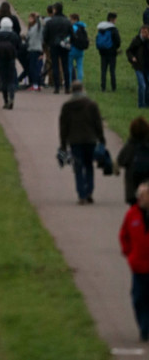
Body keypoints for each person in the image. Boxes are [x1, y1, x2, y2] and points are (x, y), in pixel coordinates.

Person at [59, 80, 105, 204]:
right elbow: (98, 124)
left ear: (72, 91)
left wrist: (63, 144)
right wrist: (101, 139)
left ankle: (81, 194)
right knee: (89, 166)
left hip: (75, 141)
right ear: (82, 89)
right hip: (90, 140)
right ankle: (89, 191)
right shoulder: (91, 104)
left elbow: (63, 126)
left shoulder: (67, 107)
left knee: (78, 168)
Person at [119, 181, 149, 342]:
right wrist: (129, 253)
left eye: (143, 196)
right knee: (138, 299)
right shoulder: (132, 214)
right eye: (139, 195)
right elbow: (124, 234)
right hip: (138, 267)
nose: (139, 198)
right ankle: (144, 328)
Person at [43, 1, 73, 94]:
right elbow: (72, 34)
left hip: (54, 45)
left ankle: (56, 87)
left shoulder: (50, 22)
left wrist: (48, 43)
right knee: (65, 66)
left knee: (55, 66)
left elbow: (45, 35)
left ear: (55, 10)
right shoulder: (67, 21)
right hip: (65, 44)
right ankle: (67, 87)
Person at [117, 117, 149, 204]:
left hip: (133, 190)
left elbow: (119, 161)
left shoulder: (130, 146)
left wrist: (115, 171)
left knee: (135, 212)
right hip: (147, 187)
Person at [0, 16, 20, 110]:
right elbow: (18, 46)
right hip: (11, 59)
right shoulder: (14, 35)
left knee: (3, 80)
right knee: (11, 80)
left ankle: (5, 100)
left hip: (0, 59)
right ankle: (12, 97)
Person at [96, 11, 121, 91]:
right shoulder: (113, 29)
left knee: (103, 70)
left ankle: (103, 87)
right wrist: (115, 48)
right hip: (112, 52)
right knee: (112, 70)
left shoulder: (101, 28)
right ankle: (113, 87)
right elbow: (118, 41)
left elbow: (97, 39)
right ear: (112, 19)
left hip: (102, 52)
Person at [127, 26, 149, 109]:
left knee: (147, 85)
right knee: (142, 85)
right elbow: (129, 51)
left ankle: (147, 102)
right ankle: (141, 104)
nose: (143, 34)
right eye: (142, 32)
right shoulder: (136, 40)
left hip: (147, 67)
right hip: (138, 66)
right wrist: (132, 58)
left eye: (145, 32)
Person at [68, 13, 89, 85]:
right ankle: (79, 83)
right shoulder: (83, 27)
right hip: (80, 50)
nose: (69, 20)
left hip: (72, 49)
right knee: (80, 67)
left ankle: (70, 83)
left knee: (70, 67)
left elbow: (68, 38)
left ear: (74, 19)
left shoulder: (73, 27)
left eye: (70, 19)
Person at [26, 11, 44, 91]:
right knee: (33, 67)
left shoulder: (37, 27)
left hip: (35, 49)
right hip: (32, 49)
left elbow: (42, 23)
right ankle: (36, 84)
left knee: (34, 68)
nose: (29, 19)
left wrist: (38, 17)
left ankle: (36, 84)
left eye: (31, 18)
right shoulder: (32, 28)